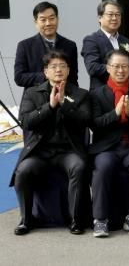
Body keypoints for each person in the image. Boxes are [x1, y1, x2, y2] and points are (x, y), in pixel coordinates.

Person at [11, 51, 90, 236]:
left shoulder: (80, 94)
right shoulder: (32, 93)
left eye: (62, 66)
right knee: (23, 171)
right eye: (53, 67)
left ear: (69, 70)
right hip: (40, 151)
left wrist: (64, 104)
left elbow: (85, 120)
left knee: (78, 167)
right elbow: (26, 122)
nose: (58, 70)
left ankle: (76, 219)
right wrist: (50, 106)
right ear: (45, 72)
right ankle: (26, 219)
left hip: (68, 150)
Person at [89, 49, 129, 237]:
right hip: (107, 147)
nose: (121, 70)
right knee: (103, 167)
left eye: (125, 66)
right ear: (108, 68)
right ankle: (100, 219)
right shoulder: (96, 94)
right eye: (116, 66)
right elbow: (95, 124)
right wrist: (115, 114)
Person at [14, 1, 79, 88]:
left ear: (57, 19)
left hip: (63, 94)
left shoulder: (70, 45)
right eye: (43, 20)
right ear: (36, 22)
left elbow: (73, 78)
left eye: (52, 18)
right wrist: (47, 75)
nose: (48, 23)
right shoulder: (25, 46)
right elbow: (19, 77)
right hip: (35, 95)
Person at [82, 0, 129, 90]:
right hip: (102, 92)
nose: (114, 18)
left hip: (126, 91)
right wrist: (119, 65)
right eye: (110, 14)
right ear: (99, 18)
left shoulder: (126, 41)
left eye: (117, 14)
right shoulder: (92, 40)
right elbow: (93, 68)